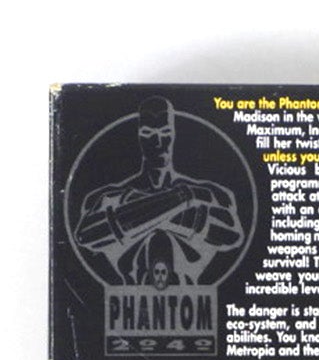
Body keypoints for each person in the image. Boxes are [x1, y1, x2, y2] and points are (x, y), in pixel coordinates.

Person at [75, 97, 244, 285]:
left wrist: (133, 209)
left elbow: (231, 234)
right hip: (132, 297)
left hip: (190, 297)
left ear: (174, 135)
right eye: (148, 133)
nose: (158, 142)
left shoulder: (213, 194)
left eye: (165, 132)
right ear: (138, 137)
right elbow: (86, 235)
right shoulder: (106, 198)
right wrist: (185, 198)